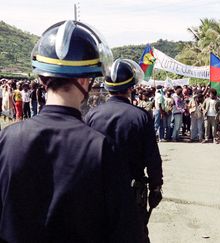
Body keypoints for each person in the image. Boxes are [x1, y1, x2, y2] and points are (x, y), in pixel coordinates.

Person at [0, 20, 141, 242]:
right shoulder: (101, 147)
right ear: (85, 80)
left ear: (42, 78)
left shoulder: (7, 138)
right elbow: (126, 232)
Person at [85, 58, 163, 243]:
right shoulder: (141, 117)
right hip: (131, 194)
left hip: (98, 191)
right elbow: (152, 157)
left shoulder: (92, 115)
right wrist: (156, 187)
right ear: (131, 87)